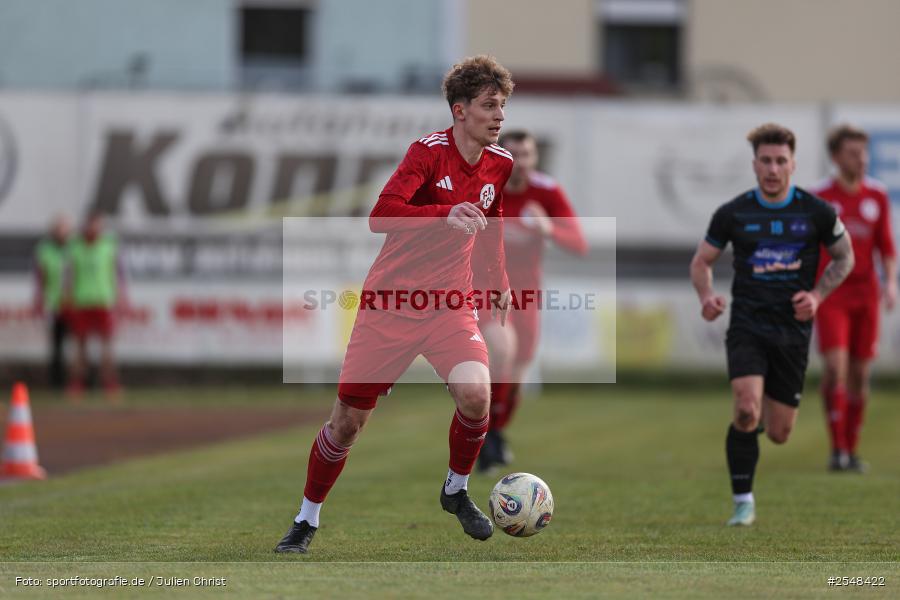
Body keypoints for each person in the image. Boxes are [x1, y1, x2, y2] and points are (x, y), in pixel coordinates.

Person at [274, 55, 515, 554]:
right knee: (346, 424)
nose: (500, 116)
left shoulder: (501, 164)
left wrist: (498, 280)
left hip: (450, 303)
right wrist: (444, 214)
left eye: (503, 106)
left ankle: (455, 490)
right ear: (459, 110)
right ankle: (306, 519)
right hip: (391, 304)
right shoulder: (426, 153)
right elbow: (381, 217)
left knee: (476, 396)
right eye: (490, 106)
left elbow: (490, 225)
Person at [690, 123, 854, 526]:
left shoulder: (816, 212)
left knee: (779, 432)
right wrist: (706, 296)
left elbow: (845, 257)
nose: (773, 168)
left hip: (792, 333)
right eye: (766, 160)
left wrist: (816, 297)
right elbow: (701, 262)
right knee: (746, 409)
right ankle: (743, 501)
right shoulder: (733, 213)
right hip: (747, 325)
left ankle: (755, 425)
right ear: (755, 164)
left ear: (793, 164)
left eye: (781, 161)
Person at [472, 130, 587, 473]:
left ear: (534, 158)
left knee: (518, 373)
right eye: (514, 154)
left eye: (527, 154)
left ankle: (494, 433)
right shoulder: (484, 188)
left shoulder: (546, 192)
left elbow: (579, 243)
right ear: (500, 156)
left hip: (526, 292)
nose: (520, 162)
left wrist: (548, 228)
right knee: (501, 350)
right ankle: (485, 435)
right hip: (485, 287)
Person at [812, 125, 896, 473]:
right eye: (852, 153)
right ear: (835, 157)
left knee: (861, 375)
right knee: (835, 368)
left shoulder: (876, 195)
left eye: (863, 152)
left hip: (866, 295)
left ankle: (852, 448)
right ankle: (838, 450)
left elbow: (886, 247)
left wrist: (891, 283)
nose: (860, 159)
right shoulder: (820, 198)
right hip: (832, 294)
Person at [65, 213, 125, 398]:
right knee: (80, 346)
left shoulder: (109, 246)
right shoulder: (75, 247)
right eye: (91, 225)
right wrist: (68, 296)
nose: (94, 229)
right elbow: (69, 274)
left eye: (98, 225)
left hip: (104, 300)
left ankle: (109, 383)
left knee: (107, 346)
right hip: (81, 300)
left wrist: (121, 297)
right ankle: (78, 382)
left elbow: (118, 274)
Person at [33, 214, 73, 389]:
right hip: (54, 303)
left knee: (78, 345)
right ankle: (56, 382)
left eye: (64, 229)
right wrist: (39, 299)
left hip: (73, 302)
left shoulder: (74, 248)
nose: (61, 233)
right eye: (59, 229)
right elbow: (41, 277)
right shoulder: (45, 250)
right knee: (56, 343)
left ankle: (78, 381)